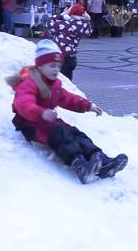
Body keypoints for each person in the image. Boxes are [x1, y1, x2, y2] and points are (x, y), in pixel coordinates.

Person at [8, 40, 128, 184]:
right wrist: (41, 113)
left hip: (49, 121)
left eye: (58, 66)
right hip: (30, 122)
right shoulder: (29, 83)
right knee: (61, 134)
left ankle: (100, 159)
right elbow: (23, 103)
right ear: (40, 66)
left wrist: (87, 106)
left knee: (75, 133)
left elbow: (67, 98)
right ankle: (80, 165)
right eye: (52, 65)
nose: (56, 69)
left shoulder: (54, 84)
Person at [47, 4, 92, 80]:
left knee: (62, 82)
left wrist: (63, 14)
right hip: (71, 57)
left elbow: (49, 22)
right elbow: (89, 30)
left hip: (61, 56)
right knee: (67, 80)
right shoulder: (83, 25)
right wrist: (88, 19)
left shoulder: (65, 24)